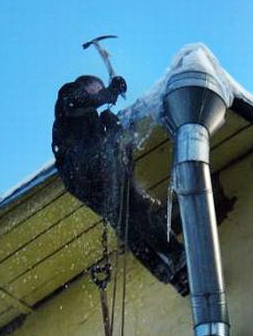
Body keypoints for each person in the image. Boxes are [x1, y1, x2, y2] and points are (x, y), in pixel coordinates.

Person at [52, 75, 188, 294]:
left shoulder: (97, 122)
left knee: (128, 221)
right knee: (136, 209)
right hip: (82, 171)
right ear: (85, 86)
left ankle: (168, 271)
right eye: (96, 88)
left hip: (93, 176)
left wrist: (115, 131)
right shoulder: (68, 94)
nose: (100, 91)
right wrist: (111, 91)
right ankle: (176, 256)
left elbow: (120, 153)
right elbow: (78, 102)